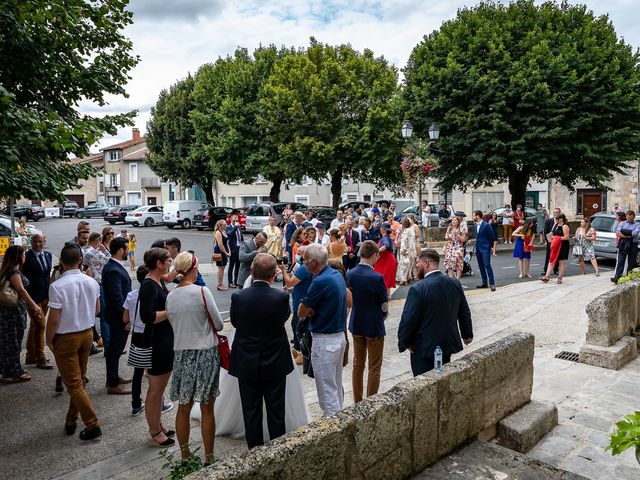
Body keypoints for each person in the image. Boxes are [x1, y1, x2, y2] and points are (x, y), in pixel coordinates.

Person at [229, 253, 293, 448]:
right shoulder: (281, 297)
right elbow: (283, 319)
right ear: (274, 274)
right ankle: (277, 450)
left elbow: (234, 322)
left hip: (246, 361)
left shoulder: (238, 296)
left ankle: (254, 450)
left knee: (251, 411)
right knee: (276, 411)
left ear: (252, 271)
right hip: (274, 360)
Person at [166, 252, 223, 463]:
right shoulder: (202, 292)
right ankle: (209, 456)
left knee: (184, 406)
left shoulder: (171, 296)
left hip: (181, 352)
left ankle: (185, 454)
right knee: (207, 407)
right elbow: (217, 324)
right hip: (206, 350)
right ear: (194, 268)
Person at [46, 243, 102, 439]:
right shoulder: (91, 282)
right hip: (86, 334)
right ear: (80, 260)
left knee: (74, 384)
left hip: (66, 337)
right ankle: (71, 419)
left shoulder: (57, 286)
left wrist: (49, 339)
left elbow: (53, 318)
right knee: (79, 380)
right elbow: (96, 310)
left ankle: (92, 424)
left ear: (61, 261)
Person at [398, 249, 473, 376]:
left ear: (426, 263)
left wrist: (404, 342)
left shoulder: (418, 289)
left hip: (423, 347)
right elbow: (464, 310)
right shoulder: (454, 283)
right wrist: (467, 334)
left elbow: (408, 319)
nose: (416, 266)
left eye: (418, 263)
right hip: (447, 345)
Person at [298, 244, 347, 416]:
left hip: (325, 341)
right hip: (338, 338)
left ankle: (333, 428)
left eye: (305, 260)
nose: (303, 263)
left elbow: (301, 311)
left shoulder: (320, 281)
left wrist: (310, 309)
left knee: (327, 391)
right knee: (335, 385)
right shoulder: (336, 275)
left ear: (314, 261)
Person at [139, 247, 175, 447]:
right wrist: (171, 311)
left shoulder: (159, 281)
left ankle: (158, 424)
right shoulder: (149, 286)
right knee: (155, 390)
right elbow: (148, 317)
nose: (170, 263)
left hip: (164, 340)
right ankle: (154, 430)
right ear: (159, 264)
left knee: (159, 390)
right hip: (156, 342)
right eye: (168, 260)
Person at [347, 241, 388, 402]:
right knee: (374, 366)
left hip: (356, 322)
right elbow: (383, 303)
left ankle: (357, 400)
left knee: (358, 364)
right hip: (373, 323)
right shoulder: (377, 277)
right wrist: (383, 314)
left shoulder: (349, 274)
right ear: (373, 255)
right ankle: (370, 401)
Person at [0, 245, 42, 382]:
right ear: (19, 256)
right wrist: (34, 306)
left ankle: (10, 369)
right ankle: (14, 373)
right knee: (14, 342)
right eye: (23, 254)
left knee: (9, 341)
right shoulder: (14, 272)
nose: (25, 257)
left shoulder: (8, 269)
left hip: (8, 311)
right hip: (13, 312)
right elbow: (22, 290)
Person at [102, 237, 132, 395]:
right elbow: (117, 299)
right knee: (115, 350)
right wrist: (126, 318)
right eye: (127, 249)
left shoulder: (114, 266)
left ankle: (113, 377)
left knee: (115, 350)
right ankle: (112, 384)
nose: (128, 251)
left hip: (117, 316)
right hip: (117, 318)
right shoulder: (113, 269)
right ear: (121, 250)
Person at [22, 233, 53, 369]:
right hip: (33, 298)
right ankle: (40, 358)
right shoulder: (26, 257)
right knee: (40, 326)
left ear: (44, 241)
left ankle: (30, 355)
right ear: (31, 242)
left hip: (46, 296)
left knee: (35, 325)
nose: (38, 244)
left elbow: (47, 275)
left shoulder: (48, 255)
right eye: (35, 242)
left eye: (40, 242)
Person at [122, 266, 150, 417]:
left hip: (137, 335)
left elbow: (125, 319)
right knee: (155, 372)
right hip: (151, 334)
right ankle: (159, 403)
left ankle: (136, 404)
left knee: (138, 372)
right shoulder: (154, 295)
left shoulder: (131, 295)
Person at [541, 213, 571, 284]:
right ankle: (547, 277)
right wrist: (550, 237)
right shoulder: (556, 225)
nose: (556, 220)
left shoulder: (565, 226)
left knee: (561, 261)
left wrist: (556, 238)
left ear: (561, 219)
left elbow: (567, 237)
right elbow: (552, 233)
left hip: (563, 245)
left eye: (557, 218)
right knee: (551, 259)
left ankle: (560, 278)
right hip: (555, 245)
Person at [612, 210, 640, 283]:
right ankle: (617, 277)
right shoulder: (622, 223)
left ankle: (629, 278)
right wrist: (628, 235)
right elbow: (617, 232)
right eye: (628, 217)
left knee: (631, 263)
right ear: (626, 216)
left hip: (633, 244)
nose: (629, 219)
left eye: (631, 218)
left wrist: (624, 231)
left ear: (634, 217)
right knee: (620, 261)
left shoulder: (637, 224)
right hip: (622, 243)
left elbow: (635, 233)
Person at [472, 210, 496, 291]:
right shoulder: (475, 226)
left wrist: (491, 247)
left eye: (473, 216)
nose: (473, 217)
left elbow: (491, 237)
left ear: (478, 216)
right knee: (481, 266)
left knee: (487, 265)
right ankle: (484, 282)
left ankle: (492, 283)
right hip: (478, 249)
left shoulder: (486, 225)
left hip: (485, 248)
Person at [373, 223, 397, 297]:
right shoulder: (384, 237)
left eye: (381, 228)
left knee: (385, 277)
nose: (380, 229)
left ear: (385, 230)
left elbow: (386, 245)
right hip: (385, 261)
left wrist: (378, 250)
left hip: (387, 261)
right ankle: (387, 295)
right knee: (385, 278)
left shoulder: (385, 238)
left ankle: (385, 296)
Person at [396, 218, 417, 285]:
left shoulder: (406, 232)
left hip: (406, 250)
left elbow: (404, 242)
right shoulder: (411, 230)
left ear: (404, 224)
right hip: (412, 250)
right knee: (410, 264)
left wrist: (403, 250)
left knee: (404, 265)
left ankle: (403, 279)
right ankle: (408, 277)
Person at [542, 208, 561, 276]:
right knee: (548, 256)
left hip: (557, 242)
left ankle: (556, 270)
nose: (555, 214)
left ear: (560, 213)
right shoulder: (549, 221)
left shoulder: (561, 222)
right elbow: (545, 232)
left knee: (557, 256)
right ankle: (545, 270)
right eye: (554, 212)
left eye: (557, 212)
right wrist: (548, 241)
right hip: (550, 242)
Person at [213, 219, 231, 291]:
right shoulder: (218, 232)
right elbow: (220, 245)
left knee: (223, 267)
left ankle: (221, 283)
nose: (225, 226)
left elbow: (226, 242)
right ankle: (219, 285)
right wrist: (226, 253)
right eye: (224, 225)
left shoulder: (224, 231)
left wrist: (229, 251)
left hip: (224, 251)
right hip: (220, 251)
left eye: (225, 224)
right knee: (221, 268)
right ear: (220, 226)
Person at [227, 215, 244, 288]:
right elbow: (229, 234)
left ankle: (236, 281)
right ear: (231, 220)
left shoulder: (238, 227)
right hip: (233, 249)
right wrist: (235, 227)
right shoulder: (228, 227)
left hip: (239, 248)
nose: (235, 222)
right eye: (234, 220)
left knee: (238, 266)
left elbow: (241, 237)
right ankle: (230, 282)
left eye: (237, 220)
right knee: (231, 266)